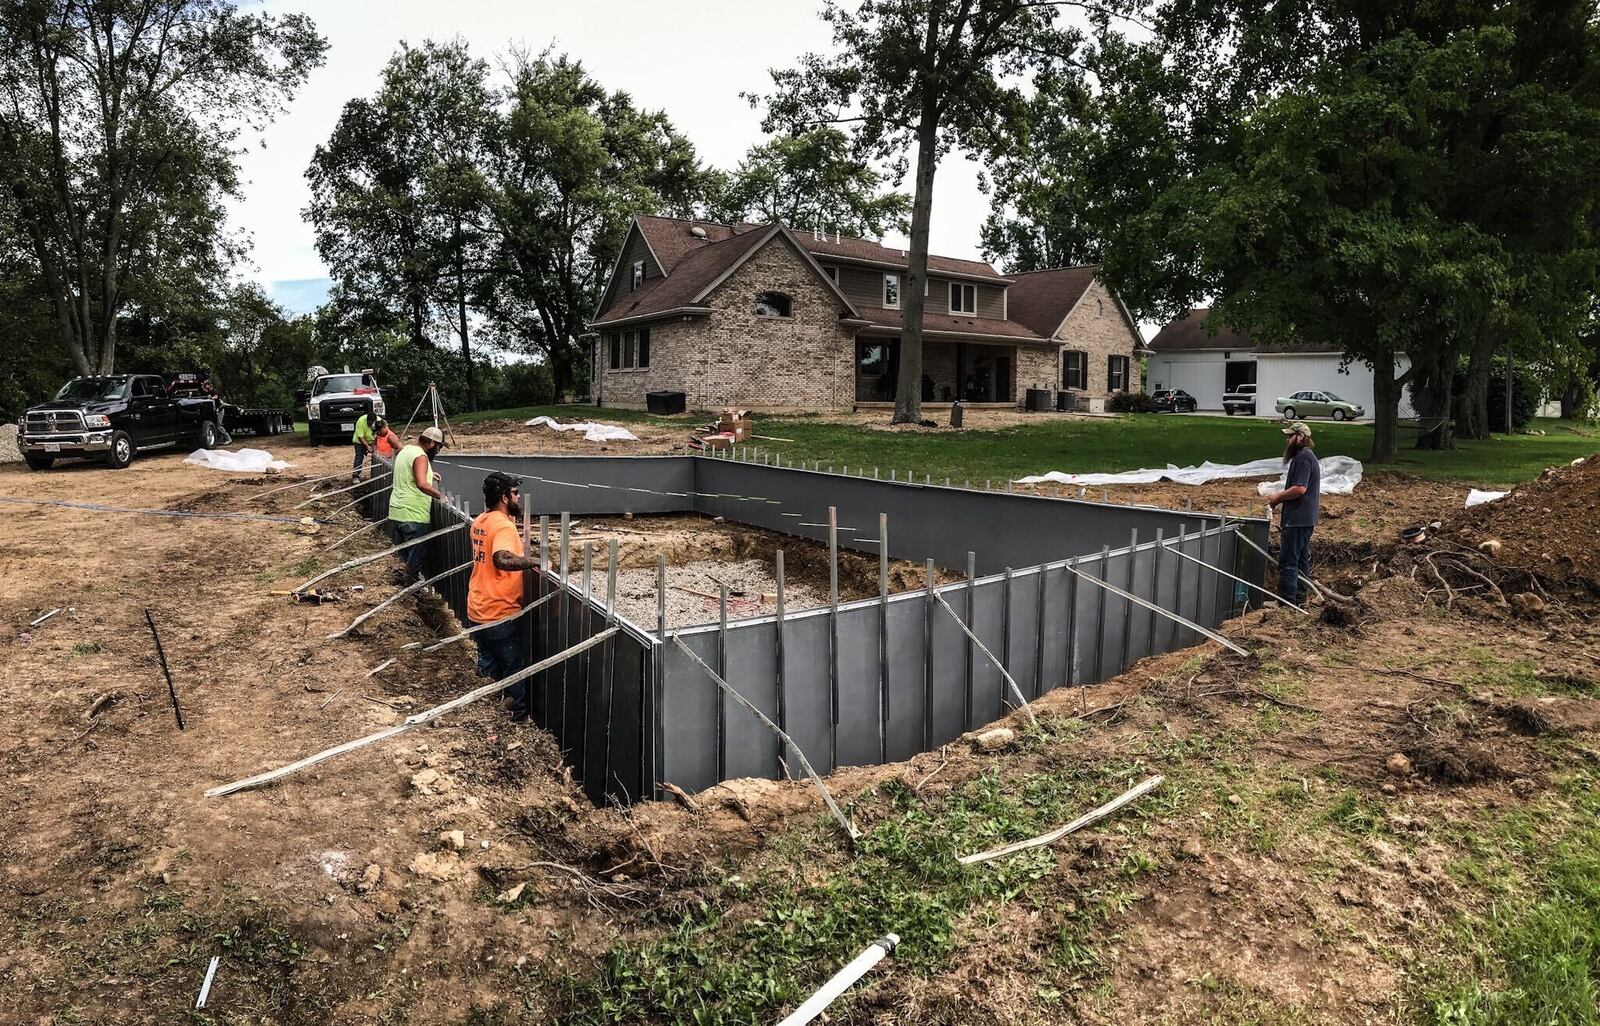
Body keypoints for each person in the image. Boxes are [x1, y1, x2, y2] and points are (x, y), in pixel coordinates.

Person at [468, 472, 541, 719]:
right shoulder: (504, 525)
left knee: (489, 667)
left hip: (477, 607)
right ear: (504, 497)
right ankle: (516, 719)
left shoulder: (480, 521)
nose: (518, 497)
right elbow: (501, 558)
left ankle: (489, 714)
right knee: (513, 670)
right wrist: (533, 561)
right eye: (515, 493)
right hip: (499, 611)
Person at [1267, 421, 1321, 605]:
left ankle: (1286, 601)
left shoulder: (1304, 458)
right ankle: (1299, 598)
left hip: (1298, 519)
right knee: (1300, 559)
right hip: (1303, 518)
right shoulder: (1305, 456)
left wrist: (1277, 497)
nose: (1287, 440)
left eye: (1290, 436)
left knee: (1289, 560)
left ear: (1301, 437)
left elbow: (1300, 489)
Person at [387, 426, 447, 582]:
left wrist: (429, 474)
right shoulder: (421, 457)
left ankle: (404, 596)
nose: (438, 451)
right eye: (439, 447)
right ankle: (413, 596)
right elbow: (421, 484)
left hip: (396, 512)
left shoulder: (406, 450)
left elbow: (408, 472)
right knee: (413, 565)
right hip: (414, 516)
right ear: (432, 443)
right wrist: (441, 496)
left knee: (402, 561)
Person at [350, 412, 399, 481]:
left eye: (371, 424)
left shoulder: (380, 422)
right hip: (360, 441)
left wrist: (374, 449)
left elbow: (378, 437)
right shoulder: (361, 421)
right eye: (368, 423)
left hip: (372, 440)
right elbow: (360, 437)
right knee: (359, 456)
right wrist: (367, 446)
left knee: (377, 456)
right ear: (367, 420)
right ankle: (356, 476)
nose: (370, 425)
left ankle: (378, 475)